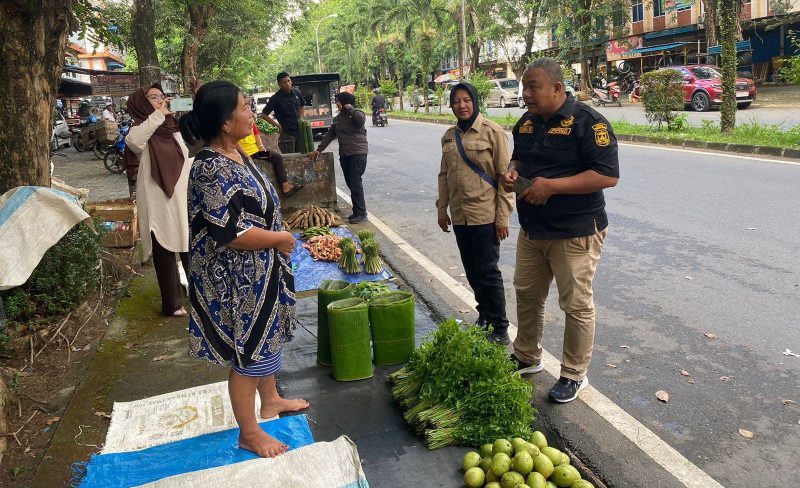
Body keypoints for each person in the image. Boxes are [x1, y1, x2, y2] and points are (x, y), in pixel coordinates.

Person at [180, 80, 309, 458]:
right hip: (235, 277)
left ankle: (269, 401)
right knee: (249, 351)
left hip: (259, 268)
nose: (252, 112)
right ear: (224, 121)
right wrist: (277, 240)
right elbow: (228, 232)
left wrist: (275, 237)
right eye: (244, 107)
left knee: (265, 336)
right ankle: (249, 432)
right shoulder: (209, 167)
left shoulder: (237, 152)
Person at [502, 58, 619, 404]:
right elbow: (518, 159)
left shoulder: (588, 123)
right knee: (526, 293)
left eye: (532, 87)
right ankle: (526, 356)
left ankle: (573, 374)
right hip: (533, 229)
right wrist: (512, 171)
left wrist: (552, 187)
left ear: (556, 87)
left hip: (576, 231)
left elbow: (607, 175)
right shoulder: (525, 123)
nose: (525, 94)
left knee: (575, 305)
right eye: (524, 87)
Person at [435, 82, 514, 344]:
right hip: (460, 216)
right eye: (457, 101)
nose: (462, 105)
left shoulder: (493, 133)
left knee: (488, 272)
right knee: (471, 270)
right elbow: (444, 176)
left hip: (485, 216)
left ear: (475, 101)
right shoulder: (448, 136)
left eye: (467, 100)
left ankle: (500, 327)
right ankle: (484, 315)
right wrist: (441, 210)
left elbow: (506, 180)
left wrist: (502, 218)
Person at [123, 83, 192, 317]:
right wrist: (158, 115)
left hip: (181, 196)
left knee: (188, 243)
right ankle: (172, 303)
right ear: (142, 103)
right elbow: (135, 143)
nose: (161, 100)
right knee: (164, 246)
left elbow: (189, 154)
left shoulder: (174, 129)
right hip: (157, 198)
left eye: (162, 96)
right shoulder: (139, 130)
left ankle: (200, 292)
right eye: (154, 97)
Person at [310, 92, 369, 224]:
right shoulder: (338, 118)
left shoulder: (355, 113)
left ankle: (361, 213)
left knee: (355, 182)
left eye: (338, 101)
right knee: (351, 183)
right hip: (345, 154)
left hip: (357, 153)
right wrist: (319, 149)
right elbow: (329, 135)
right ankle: (357, 211)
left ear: (345, 102)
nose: (336, 104)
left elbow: (361, 120)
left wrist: (350, 108)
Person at [238, 120, 302, 196]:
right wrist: (244, 154)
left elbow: (256, 134)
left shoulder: (251, 120)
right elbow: (234, 142)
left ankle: (285, 186)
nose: (250, 112)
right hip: (244, 153)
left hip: (256, 152)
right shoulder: (234, 123)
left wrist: (261, 147)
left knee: (277, 157)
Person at [260, 72, 304, 154]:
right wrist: (278, 126)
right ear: (279, 84)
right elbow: (263, 115)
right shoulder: (275, 98)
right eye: (284, 82)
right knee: (290, 158)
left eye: (289, 81)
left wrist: (301, 118)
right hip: (287, 134)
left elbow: (302, 105)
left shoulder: (296, 92)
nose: (288, 84)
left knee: (302, 155)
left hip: (300, 131)